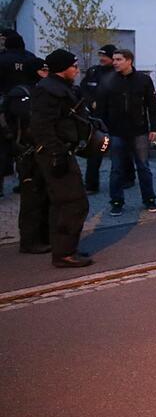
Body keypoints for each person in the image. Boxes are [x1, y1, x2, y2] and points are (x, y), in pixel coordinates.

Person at [30, 50, 93, 268]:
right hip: (55, 153)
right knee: (73, 202)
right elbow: (41, 126)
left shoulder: (59, 88)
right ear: (62, 67)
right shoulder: (48, 91)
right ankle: (64, 253)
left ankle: (64, 249)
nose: (76, 69)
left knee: (62, 202)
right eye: (73, 66)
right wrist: (56, 153)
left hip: (61, 151)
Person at [101, 49, 156, 216]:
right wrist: (104, 128)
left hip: (139, 131)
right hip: (116, 131)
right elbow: (102, 107)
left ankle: (149, 200)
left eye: (119, 59)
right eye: (114, 59)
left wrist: (155, 127)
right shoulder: (109, 81)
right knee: (116, 169)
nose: (115, 62)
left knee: (143, 167)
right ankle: (116, 202)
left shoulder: (143, 80)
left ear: (129, 61)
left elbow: (152, 105)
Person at [6, 57, 51, 253]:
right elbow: (26, 119)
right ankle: (30, 241)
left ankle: (43, 236)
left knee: (44, 195)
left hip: (41, 149)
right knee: (32, 196)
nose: (46, 74)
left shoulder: (37, 91)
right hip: (27, 151)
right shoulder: (21, 93)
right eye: (43, 70)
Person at [79, 44, 123, 194]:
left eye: (105, 56)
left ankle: (127, 178)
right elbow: (83, 88)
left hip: (115, 118)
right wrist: (90, 101)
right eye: (101, 55)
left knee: (120, 150)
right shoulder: (93, 72)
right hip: (96, 119)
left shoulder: (118, 74)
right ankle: (91, 184)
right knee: (95, 149)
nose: (102, 59)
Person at [0, 31, 37, 196]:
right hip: (29, 106)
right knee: (26, 145)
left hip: (6, 106)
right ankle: (26, 182)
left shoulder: (2, 58)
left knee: (3, 145)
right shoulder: (30, 57)